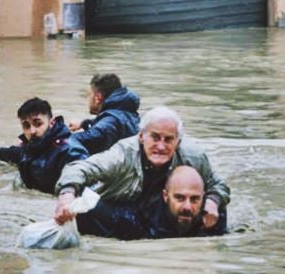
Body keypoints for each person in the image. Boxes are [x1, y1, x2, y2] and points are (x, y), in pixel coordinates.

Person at [54, 105, 230, 230]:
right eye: (155, 137)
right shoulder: (122, 155)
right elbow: (78, 168)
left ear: (178, 141)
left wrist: (213, 203)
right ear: (141, 137)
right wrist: (66, 196)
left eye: (168, 139)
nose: (161, 146)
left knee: (218, 211)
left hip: (163, 212)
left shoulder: (193, 157)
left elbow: (218, 185)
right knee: (85, 211)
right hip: (123, 210)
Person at [75, 165, 228, 240]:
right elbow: (92, 209)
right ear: (166, 196)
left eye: (195, 199)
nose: (187, 206)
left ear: (203, 197)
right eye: (180, 198)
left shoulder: (213, 215)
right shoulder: (141, 218)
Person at [0, 97, 88, 195]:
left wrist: (68, 195)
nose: (32, 131)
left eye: (38, 123)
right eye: (26, 126)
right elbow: (20, 154)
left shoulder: (69, 151)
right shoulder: (34, 146)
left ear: (52, 123)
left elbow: (84, 176)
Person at [69, 73, 140, 155]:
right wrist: (83, 123)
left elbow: (89, 137)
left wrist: (58, 136)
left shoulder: (110, 122)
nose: (88, 99)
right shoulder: (126, 113)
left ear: (98, 97)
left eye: (89, 95)